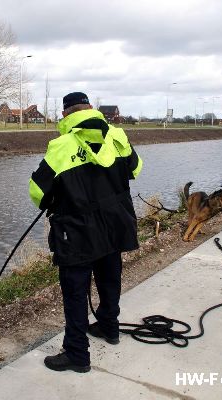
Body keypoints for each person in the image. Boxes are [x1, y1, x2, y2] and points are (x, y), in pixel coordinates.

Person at [29, 92, 143, 373]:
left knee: (76, 293)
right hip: (114, 226)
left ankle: (77, 354)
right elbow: (136, 170)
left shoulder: (62, 145)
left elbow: (37, 191)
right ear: (91, 109)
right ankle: (109, 327)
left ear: (66, 115)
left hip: (77, 232)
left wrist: (54, 199)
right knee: (109, 278)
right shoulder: (117, 136)